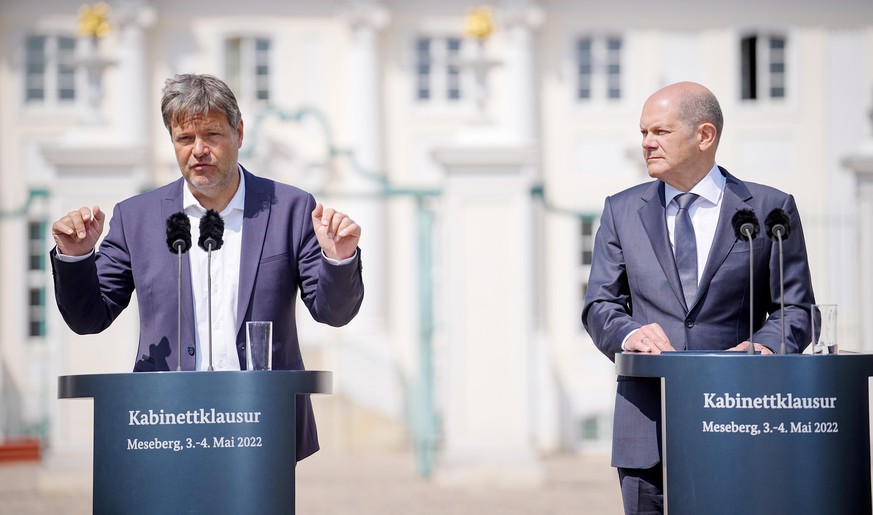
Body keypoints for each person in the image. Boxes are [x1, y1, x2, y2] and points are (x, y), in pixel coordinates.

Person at [50, 73, 364, 461]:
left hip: (261, 423)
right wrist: (76, 257)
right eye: (185, 139)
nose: (198, 150)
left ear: (239, 133)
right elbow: (88, 318)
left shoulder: (291, 209)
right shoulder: (137, 218)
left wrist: (339, 258)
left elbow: (334, 312)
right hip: (164, 425)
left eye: (212, 136)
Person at [581, 81, 814, 514]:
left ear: (704, 135)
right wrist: (629, 334)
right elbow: (600, 304)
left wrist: (764, 345)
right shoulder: (620, 209)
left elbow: (795, 308)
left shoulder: (769, 209)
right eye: (643, 132)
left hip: (740, 417)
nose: (647, 144)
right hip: (646, 426)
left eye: (660, 132)